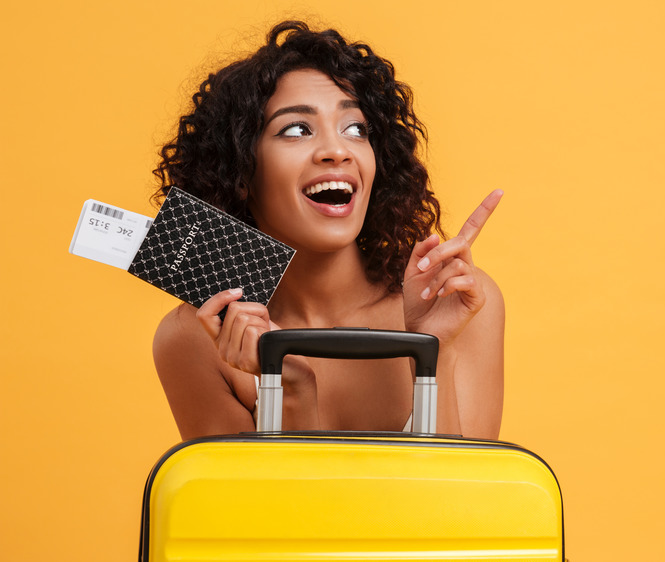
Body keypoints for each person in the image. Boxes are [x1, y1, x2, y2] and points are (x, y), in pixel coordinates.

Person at [151, 20, 504, 441]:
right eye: (296, 130)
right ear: (240, 170)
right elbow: (251, 508)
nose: (337, 150)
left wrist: (434, 352)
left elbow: (464, 501)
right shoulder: (196, 338)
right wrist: (290, 387)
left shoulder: (453, 303)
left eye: (355, 129)